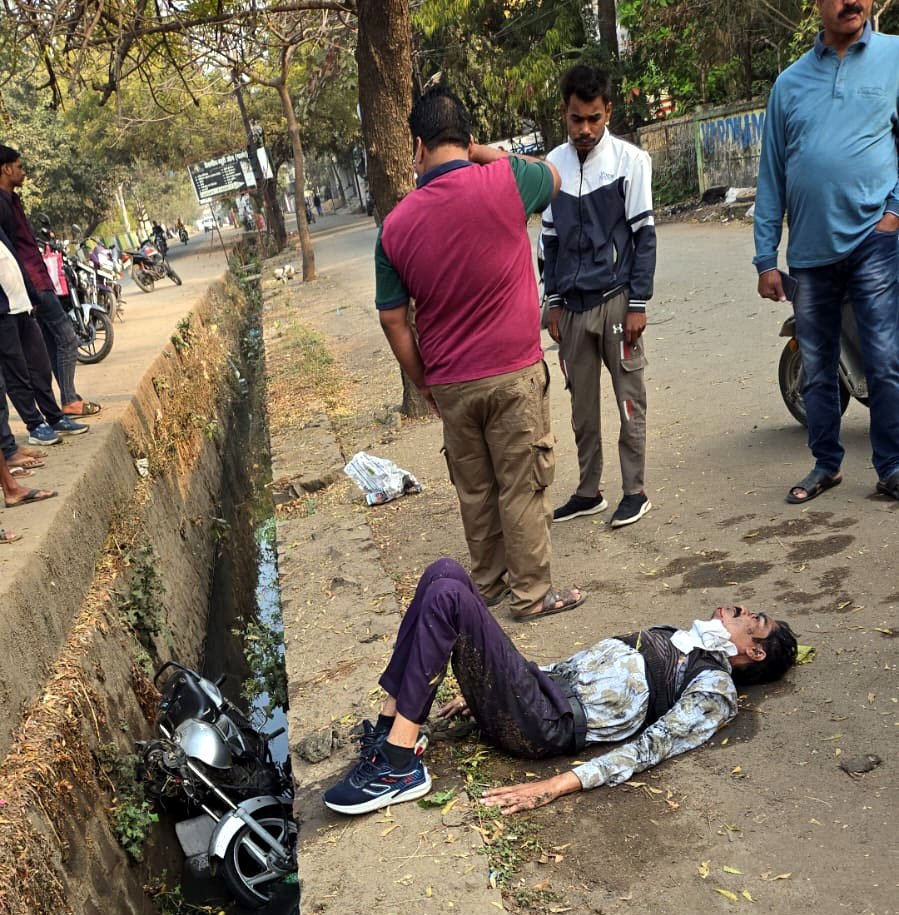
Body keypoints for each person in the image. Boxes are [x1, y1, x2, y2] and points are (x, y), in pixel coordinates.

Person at [322, 558, 797, 815]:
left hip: (546, 724)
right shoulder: (678, 637)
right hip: (535, 692)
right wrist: (486, 687)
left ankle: (400, 764)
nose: (736, 608)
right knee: (443, 573)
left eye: (751, 617)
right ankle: (388, 733)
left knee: (448, 595)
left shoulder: (713, 688)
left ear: (755, 651)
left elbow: (655, 746)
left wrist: (557, 784)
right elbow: (581, 664)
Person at [376, 85, 583, 621]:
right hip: (513, 372)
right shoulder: (506, 180)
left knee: (475, 487)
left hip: (451, 383)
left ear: (417, 145)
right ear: (466, 139)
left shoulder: (394, 229)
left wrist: (424, 382)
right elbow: (553, 175)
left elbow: (393, 318)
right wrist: (483, 152)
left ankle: (488, 584)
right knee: (522, 484)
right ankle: (532, 595)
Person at [754, 0, 899, 504]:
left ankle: (892, 465)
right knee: (818, 366)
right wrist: (765, 258)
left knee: (883, 358)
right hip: (811, 254)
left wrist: (894, 214)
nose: (850, 2)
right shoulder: (789, 84)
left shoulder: (894, 57)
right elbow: (771, 173)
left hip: (873, 243)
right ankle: (826, 464)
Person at [542, 66, 657, 529]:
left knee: (630, 400)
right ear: (565, 115)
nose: (585, 129)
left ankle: (636, 491)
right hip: (570, 309)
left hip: (616, 301)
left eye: (593, 118)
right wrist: (550, 301)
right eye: (576, 119)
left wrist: (638, 303)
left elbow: (644, 236)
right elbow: (548, 240)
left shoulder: (631, 162)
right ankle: (589, 492)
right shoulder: (552, 167)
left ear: (608, 111)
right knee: (581, 409)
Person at [0, 145, 101, 419]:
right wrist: (28, 289)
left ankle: (66, 400)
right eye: (19, 167)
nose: (23, 172)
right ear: (6, 169)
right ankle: (68, 398)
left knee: (51, 344)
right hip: (31, 283)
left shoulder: (13, 200)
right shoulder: (3, 204)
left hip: (36, 280)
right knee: (67, 338)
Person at [0, 223, 89, 445]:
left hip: (22, 303)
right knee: (16, 372)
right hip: (4, 311)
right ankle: (35, 425)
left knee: (40, 366)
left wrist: (32, 295)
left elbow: (16, 260)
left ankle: (55, 417)